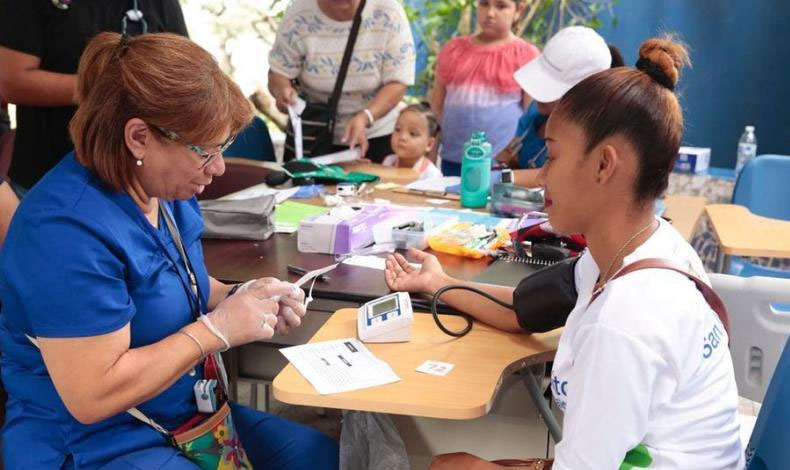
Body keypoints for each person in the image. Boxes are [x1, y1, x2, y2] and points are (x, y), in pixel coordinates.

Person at [385, 36, 744, 470]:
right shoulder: (641, 249)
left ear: (604, 165)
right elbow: (523, 310)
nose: (539, 178)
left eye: (552, 157)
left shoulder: (623, 321)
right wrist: (438, 283)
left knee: (448, 465)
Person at [0, 32, 339, 470]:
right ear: (139, 137)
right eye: (205, 152)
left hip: (181, 416)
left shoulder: (166, 189)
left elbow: (178, 282)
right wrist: (214, 331)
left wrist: (241, 295)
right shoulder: (64, 231)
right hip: (95, 441)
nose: (216, 169)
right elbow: (92, 395)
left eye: (222, 149)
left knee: (318, 456)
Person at [0, 0, 189, 194]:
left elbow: (186, 79)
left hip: (140, 185)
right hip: (48, 177)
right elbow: (12, 83)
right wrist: (113, 88)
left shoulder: (162, 5)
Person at [268, 0, 415, 162]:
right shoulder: (298, 13)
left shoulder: (388, 12)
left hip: (374, 136)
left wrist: (366, 117)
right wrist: (282, 91)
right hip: (311, 135)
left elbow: (398, 82)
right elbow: (278, 73)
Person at [431, 0, 540, 176]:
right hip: (454, 158)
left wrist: (513, 151)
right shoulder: (453, 50)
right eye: (484, 4)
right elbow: (437, 104)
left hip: (500, 164)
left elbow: (533, 113)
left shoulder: (526, 55)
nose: (490, 13)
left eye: (501, 6)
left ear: (518, 10)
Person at [494, 26, 612, 187]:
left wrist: (505, 178)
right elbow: (508, 155)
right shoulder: (536, 114)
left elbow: (564, 176)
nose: (536, 94)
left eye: (548, 87)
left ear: (584, 93)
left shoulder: (593, 135)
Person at [381, 103, 442, 180]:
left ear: (429, 144)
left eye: (412, 133)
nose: (402, 137)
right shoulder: (388, 162)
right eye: (398, 129)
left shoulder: (432, 175)